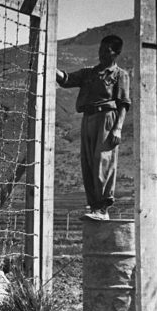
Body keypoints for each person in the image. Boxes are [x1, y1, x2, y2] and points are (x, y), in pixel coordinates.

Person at [56, 35, 131, 221]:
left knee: (103, 160)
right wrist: (50, 67)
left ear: (116, 53)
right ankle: (94, 205)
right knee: (88, 162)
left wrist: (117, 128)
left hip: (107, 118)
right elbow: (66, 79)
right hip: (88, 118)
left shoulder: (120, 75)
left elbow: (123, 103)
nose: (102, 54)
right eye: (101, 49)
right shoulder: (89, 72)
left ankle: (103, 207)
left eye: (107, 51)